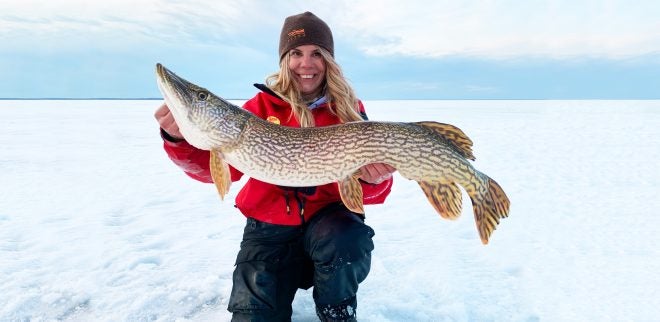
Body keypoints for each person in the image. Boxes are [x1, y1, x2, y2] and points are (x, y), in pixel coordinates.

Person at [154, 11, 395, 322]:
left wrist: (374, 180)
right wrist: (177, 138)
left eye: (316, 54)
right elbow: (212, 169)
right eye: (296, 53)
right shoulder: (258, 110)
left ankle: (337, 310)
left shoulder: (349, 112)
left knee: (347, 239)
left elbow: (371, 190)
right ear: (285, 59)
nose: (306, 64)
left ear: (329, 61)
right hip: (268, 231)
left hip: (330, 229)